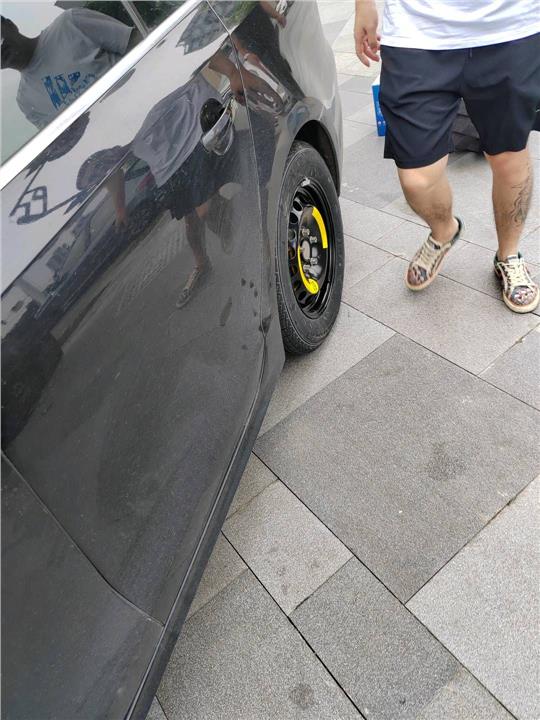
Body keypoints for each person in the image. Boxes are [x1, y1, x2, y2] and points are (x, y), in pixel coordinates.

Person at [354, 0, 540, 313]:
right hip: (416, 31)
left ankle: (508, 255)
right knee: (416, 177)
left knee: (509, 156)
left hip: (509, 27)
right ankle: (444, 231)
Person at [1, 9, 139, 129]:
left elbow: (138, 41)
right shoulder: (26, 102)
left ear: (10, 25)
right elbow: (65, 142)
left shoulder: (70, 22)